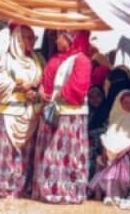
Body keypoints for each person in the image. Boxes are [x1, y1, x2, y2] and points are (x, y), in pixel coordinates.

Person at [33, 29, 92, 204]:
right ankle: (49, 188)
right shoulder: (56, 59)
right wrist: (42, 90)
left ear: (70, 38)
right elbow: (47, 80)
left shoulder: (82, 60)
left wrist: (57, 95)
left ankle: (66, 190)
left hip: (69, 117)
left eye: (60, 36)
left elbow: (78, 88)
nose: (56, 39)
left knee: (65, 154)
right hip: (53, 113)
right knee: (51, 153)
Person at [0, 22, 43, 199]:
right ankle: (2, 186)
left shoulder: (38, 60)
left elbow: (44, 81)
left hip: (31, 113)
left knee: (26, 152)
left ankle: (21, 187)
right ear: (18, 39)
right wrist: (19, 87)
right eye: (28, 38)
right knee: (7, 150)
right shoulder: (6, 60)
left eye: (33, 38)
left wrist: (35, 91)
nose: (32, 41)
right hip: (11, 112)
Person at [88, 90, 130, 201]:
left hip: (128, 150)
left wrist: (123, 148)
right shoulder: (116, 116)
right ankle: (103, 193)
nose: (129, 105)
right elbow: (109, 134)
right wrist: (107, 148)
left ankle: (113, 193)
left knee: (117, 163)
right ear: (120, 103)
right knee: (105, 159)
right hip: (112, 151)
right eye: (126, 103)